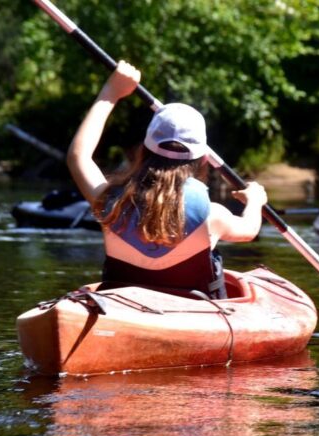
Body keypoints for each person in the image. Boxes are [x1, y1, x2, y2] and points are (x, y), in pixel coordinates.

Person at [66, 60, 268, 298]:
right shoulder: (212, 215)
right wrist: (255, 201)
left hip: (120, 306)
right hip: (192, 313)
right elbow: (249, 230)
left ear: (143, 150)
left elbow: (77, 156)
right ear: (203, 159)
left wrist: (111, 92)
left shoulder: (111, 201)